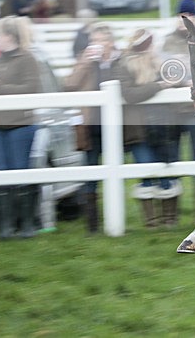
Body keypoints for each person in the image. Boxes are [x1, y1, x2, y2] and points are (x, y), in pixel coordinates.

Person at [0, 16, 41, 239]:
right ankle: (6, 226)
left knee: (21, 171)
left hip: (19, 124)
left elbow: (31, 89)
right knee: (1, 174)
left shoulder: (27, 58)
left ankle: (27, 225)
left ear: (9, 36)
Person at [115, 28, 179, 229]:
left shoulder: (160, 63)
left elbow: (175, 83)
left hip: (163, 126)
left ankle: (169, 219)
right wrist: (159, 86)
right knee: (146, 170)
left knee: (166, 171)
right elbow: (129, 95)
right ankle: (151, 221)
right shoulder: (124, 65)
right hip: (138, 129)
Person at [64, 22, 121, 233]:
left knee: (117, 171)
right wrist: (85, 63)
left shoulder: (120, 60)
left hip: (117, 126)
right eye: (94, 41)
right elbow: (69, 85)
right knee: (91, 172)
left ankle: (116, 216)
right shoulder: (85, 61)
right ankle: (92, 224)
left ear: (111, 42)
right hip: (91, 126)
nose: (97, 44)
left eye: (101, 40)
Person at [161, 0, 195, 222]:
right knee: (170, 159)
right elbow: (164, 70)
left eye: (190, 14)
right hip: (172, 111)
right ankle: (170, 216)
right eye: (181, 14)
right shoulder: (166, 42)